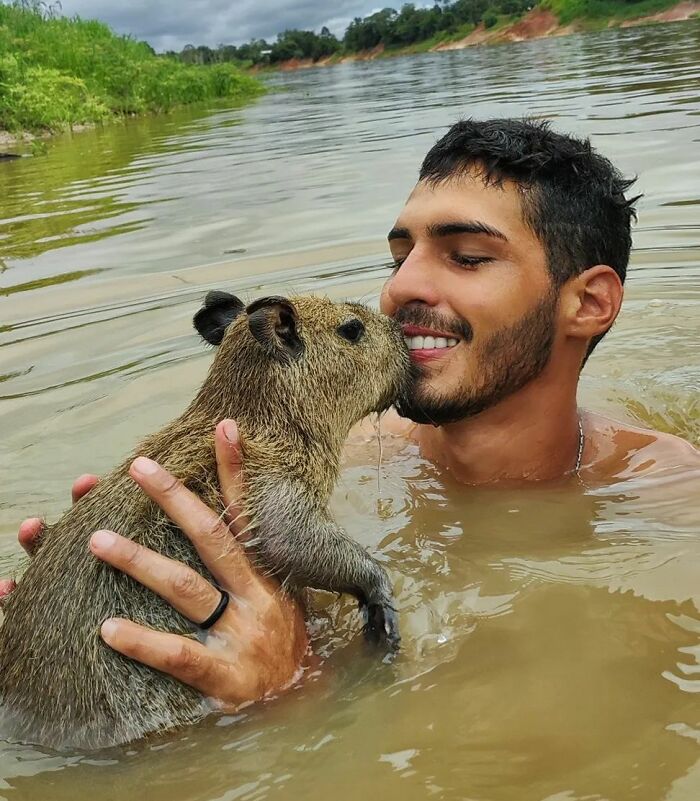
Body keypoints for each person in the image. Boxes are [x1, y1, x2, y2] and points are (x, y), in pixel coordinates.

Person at [1, 118, 697, 712]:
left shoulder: (672, 497)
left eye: (467, 256)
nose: (400, 288)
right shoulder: (354, 450)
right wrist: (73, 616)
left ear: (591, 303)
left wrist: (292, 686)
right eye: (399, 256)